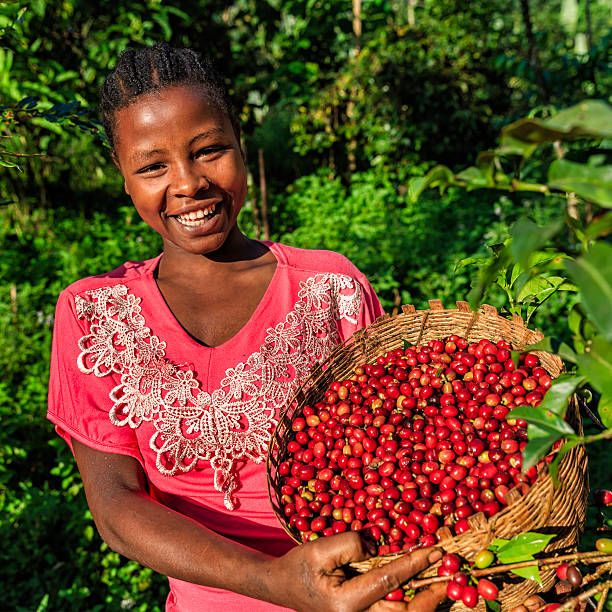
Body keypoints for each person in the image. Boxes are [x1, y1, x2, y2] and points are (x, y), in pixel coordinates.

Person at [46, 43, 448, 611]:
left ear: (240, 142)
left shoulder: (328, 288)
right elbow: (116, 506)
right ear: (124, 177)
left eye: (209, 150)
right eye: (153, 165)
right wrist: (273, 581)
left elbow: (404, 458)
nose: (188, 183)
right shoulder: (95, 315)